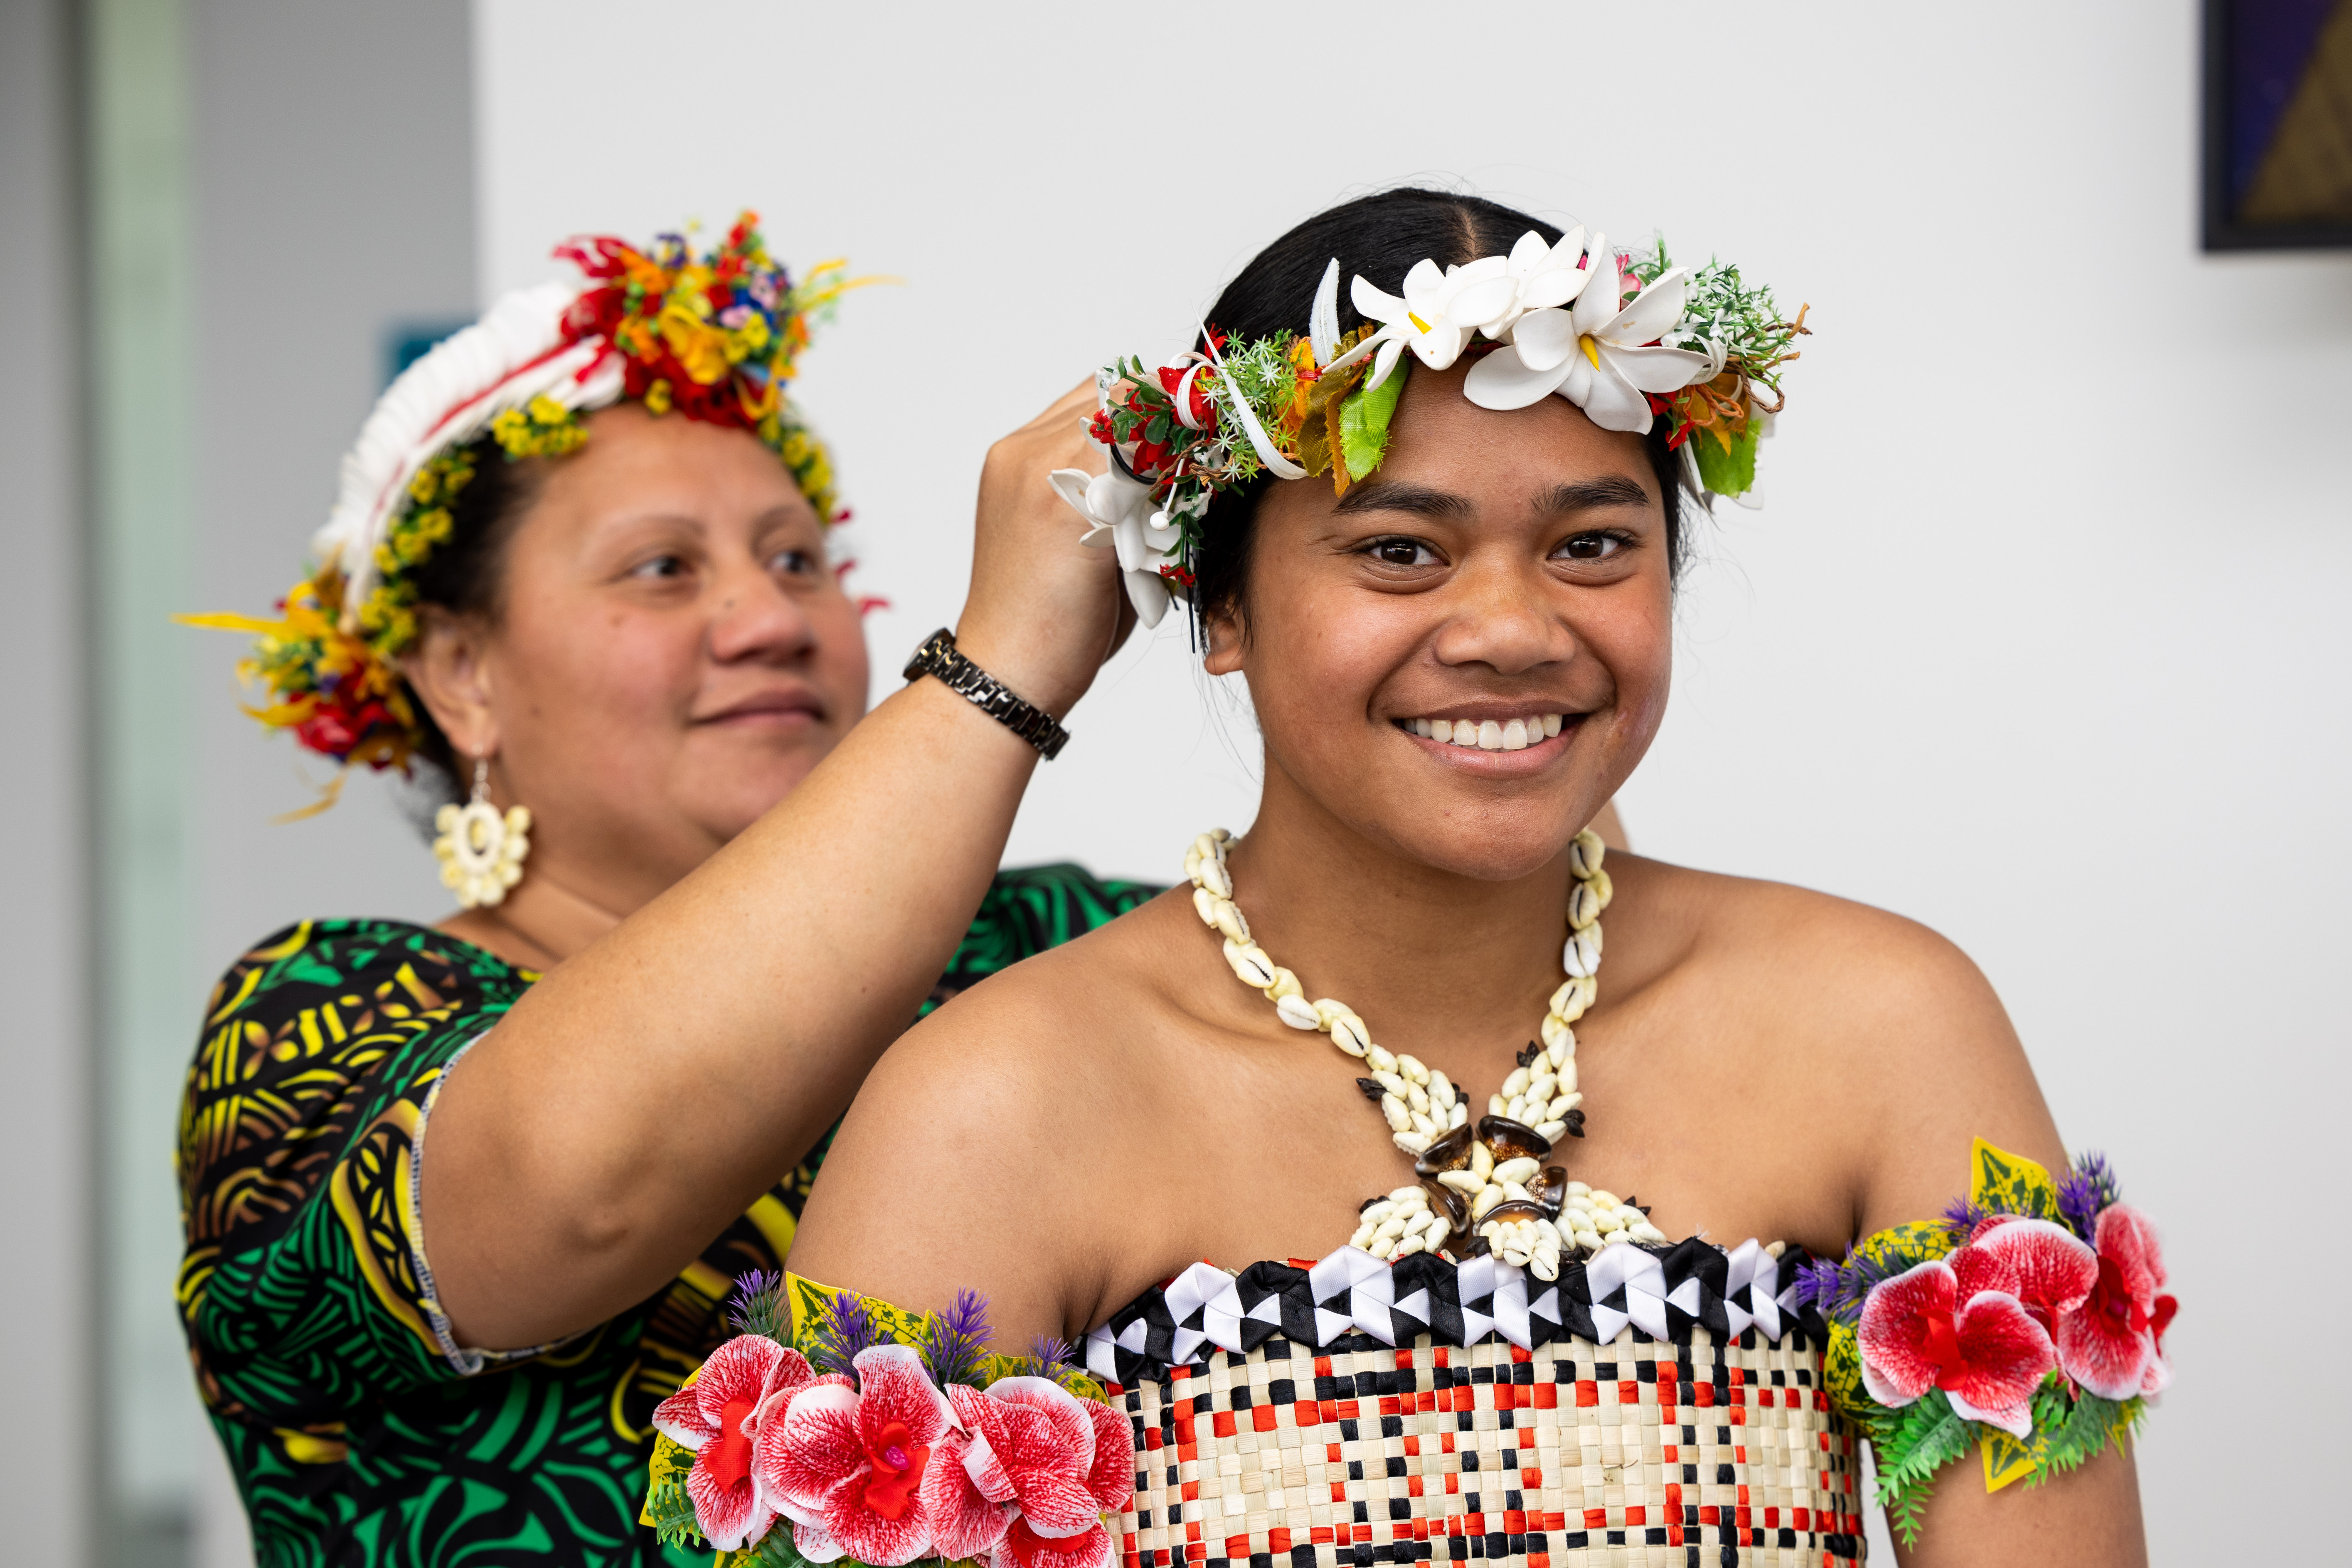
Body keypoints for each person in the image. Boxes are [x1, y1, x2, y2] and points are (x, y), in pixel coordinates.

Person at [772, 191, 2166, 1568]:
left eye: (1590, 546)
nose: (1508, 628)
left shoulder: (1881, 1026)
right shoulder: (991, 1110)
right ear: (1221, 606)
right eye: (1399, 550)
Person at [175, 213, 1170, 1568]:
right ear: (460, 673)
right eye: (663, 569)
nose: (770, 616)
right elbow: (573, 1188)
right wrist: (1000, 664)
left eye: (798, 559)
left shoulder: (1043, 942)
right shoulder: (317, 1014)